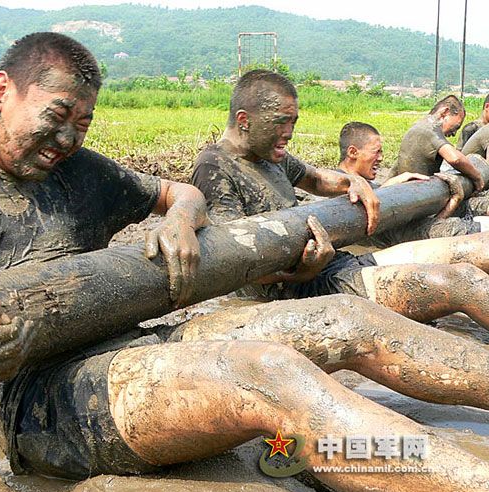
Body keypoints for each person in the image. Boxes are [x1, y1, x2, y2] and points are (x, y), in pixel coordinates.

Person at [0, 36, 489, 492]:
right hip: (41, 398)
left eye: (84, 123)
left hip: (128, 339)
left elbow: (181, 194)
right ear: (1, 90)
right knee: (268, 373)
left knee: (347, 319)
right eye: (58, 115)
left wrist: (179, 217)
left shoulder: (87, 171)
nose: (69, 137)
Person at [192, 70, 489, 330]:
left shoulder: (269, 154)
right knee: (458, 283)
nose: (290, 133)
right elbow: (231, 264)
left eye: (293, 122)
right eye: (282, 122)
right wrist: (302, 273)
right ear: (244, 120)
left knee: (479, 247)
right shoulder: (214, 166)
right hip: (296, 291)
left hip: (332, 265)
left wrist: (355, 181)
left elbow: (317, 179)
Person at [337, 121, 484, 244]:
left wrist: (453, 202)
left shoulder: (369, 188)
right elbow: (410, 236)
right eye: (376, 152)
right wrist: (390, 186)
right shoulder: (338, 189)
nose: (381, 158)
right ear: (353, 152)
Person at [394, 95, 484, 191]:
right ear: (445, 112)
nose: (454, 133)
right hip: (417, 191)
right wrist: (477, 177)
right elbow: (455, 159)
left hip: (404, 187)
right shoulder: (431, 130)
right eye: (456, 127)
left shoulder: (419, 125)